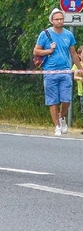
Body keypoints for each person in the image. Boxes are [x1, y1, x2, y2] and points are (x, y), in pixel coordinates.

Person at [33, 8, 83, 136]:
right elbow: (36, 51)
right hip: (50, 71)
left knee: (66, 99)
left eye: (61, 19)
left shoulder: (68, 35)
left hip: (65, 71)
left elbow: (73, 53)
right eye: (57, 19)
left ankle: (61, 117)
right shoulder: (45, 34)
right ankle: (57, 126)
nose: (59, 21)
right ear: (52, 20)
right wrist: (48, 51)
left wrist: (80, 68)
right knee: (53, 100)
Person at [74, 46, 83, 134]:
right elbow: (75, 76)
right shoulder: (77, 65)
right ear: (79, 55)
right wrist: (80, 79)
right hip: (82, 92)